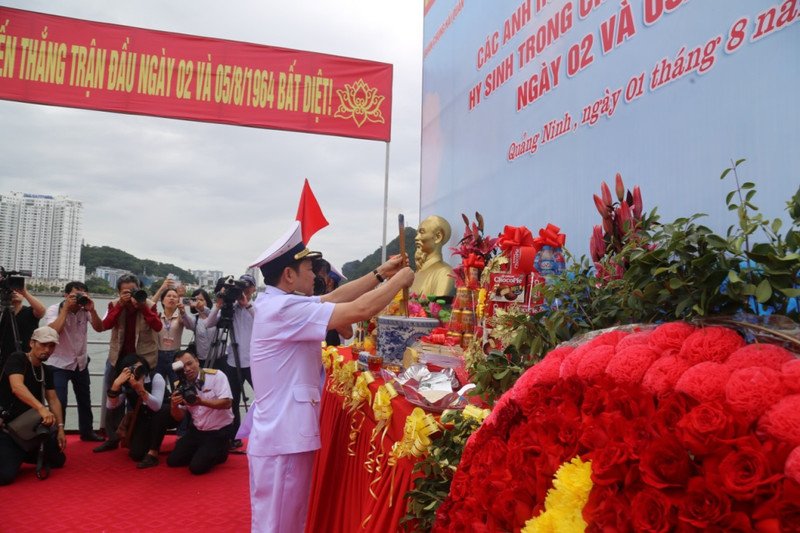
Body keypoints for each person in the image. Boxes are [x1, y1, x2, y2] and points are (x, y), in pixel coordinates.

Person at [246, 221, 414, 533]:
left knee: (285, 521)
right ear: (289, 275)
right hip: (284, 439)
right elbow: (360, 309)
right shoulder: (283, 310)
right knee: (279, 525)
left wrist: (381, 273)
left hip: (283, 435)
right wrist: (399, 281)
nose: (317, 276)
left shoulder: (278, 303)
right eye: (310, 269)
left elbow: (335, 299)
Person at [94, 274, 162, 453]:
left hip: (142, 360)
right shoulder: (114, 304)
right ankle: (112, 438)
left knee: (138, 400)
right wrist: (120, 306)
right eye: (126, 292)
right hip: (118, 359)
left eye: (134, 290)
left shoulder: (149, 305)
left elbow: (158, 327)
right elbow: (105, 325)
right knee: (113, 396)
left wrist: (143, 308)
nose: (130, 294)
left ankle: (133, 436)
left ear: (139, 289)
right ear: (118, 292)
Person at [0, 327, 67, 485]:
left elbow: (53, 399)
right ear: (31, 343)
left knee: (59, 460)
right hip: (8, 428)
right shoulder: (17, 358)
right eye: (43, 345)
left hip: (30, 427)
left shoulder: (46, 370)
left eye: (51, 346)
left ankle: (19, 453)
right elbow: (17, 387)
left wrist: (61, 428)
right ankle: (14, 453)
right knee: (5, 477)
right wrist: (41, 408)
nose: (47, 350)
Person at [44, 281, 105, 442]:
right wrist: (65, 309)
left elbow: (100, 328)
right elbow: (52, 332)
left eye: (82, 295)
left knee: (85, 399)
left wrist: (93, 309)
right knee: (60, 401)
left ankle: (87, 431)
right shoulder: (54, 309)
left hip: (80, 362)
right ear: (66, 295)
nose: (79, 299)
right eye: (75, 295)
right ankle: (56, 435)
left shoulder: (86, 310)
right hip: (58, 364)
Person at [158, 349, 234, 475]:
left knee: (197, 468)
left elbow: (227, 403)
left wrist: (201, 402)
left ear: (197, 362)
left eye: (190, 364)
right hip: (197, 430)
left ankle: (221, 451)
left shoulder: (216, 376)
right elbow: (179, 417)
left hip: (219, 430)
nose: (187, 369)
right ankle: (204, 451)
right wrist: (174, 406)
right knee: (173, 461)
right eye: (183, 367)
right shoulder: (180, 384)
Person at [205, 274, 256, 448]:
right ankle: (234, 435)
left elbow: (264, 322)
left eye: (248, 287)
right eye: (242, 287)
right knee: (232, 401)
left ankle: (261, 434)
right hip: (233, 361)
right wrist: (219, 305)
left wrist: (246, 305)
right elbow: (208, 324)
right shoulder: (230, 308)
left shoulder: (256, 307)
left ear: (253, 290)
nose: (244, 290)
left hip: (254, 362)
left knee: (264, 398)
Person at [103, 353, 167, 467]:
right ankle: (148, 443)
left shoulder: (155, 377)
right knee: (136, 454)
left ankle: (153, 450)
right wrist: (115, 385)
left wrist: (140, 389)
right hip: (144, 418)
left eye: (141, 367)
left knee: (160, 414)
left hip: (164, 416)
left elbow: (156, 406)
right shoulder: (127, 384)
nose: (139, 371)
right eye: (134, 369)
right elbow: (111, 406)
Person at [153, 286, 193, 387]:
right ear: (162, 300)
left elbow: (187, 323)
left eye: (174, 297)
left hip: (175, 356)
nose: (171, 298)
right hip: (158, 355)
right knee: (158, 386)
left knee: (177, 385)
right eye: (168, 296)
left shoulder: (179, 316)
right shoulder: (157, 316)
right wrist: (161, 288)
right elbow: (148, 306)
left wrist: (181, 298)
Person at [409, 214, 456, 297]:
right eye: (417, 233)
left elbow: (437, 308)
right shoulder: (416, 274)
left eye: (422, 232)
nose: (416, 237)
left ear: (438, 237)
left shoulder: (445, 273)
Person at [0, 279, 46, 361]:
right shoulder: (2, 313)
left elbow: (41, 311)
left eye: (17, 290)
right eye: (11, 291)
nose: (14, 292)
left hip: (24, 356)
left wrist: (25, 293)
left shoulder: (29, 312)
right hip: (4, 356)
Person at [311, 258, 352, 346]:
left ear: (330, 282)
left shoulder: (336, 303)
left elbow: (348, 334)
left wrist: (326, 306)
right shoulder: (302, 299)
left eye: (319, 278)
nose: (314, 281)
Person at [184, 289, 216, 365]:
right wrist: (182, 310)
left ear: (207, 302)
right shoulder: (194, 319)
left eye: (201, 300)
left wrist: (204, 309)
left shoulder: (215, 316)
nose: (198, 302)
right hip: (202, 360)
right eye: (196, 300)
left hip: (218, 359)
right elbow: (183, 319)